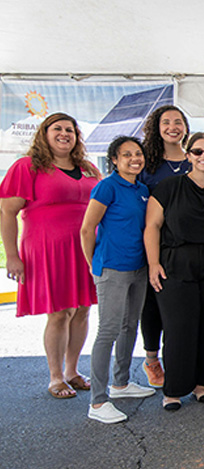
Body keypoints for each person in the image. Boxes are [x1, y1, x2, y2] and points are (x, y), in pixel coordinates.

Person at [0, 112, 101, 398]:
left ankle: (72, 371)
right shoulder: (28, 166)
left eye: (70, 130)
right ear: (44, 133)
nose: (64, 134)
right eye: (57, 128)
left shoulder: (89, 168)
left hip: (85, 248)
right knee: (59, 312)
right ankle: (55, 377)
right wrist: (12, 255)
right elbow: (7, 212)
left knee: (82, 309)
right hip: (48, 248)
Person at [144, 132, 204, 410]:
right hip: (176, 262)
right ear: (188, 156)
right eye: (197, 152)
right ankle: (173, 389)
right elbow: (152, 227)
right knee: (179, 327)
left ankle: (202, 383)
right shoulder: (168, 187)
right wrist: (153, 263)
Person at [80, 136, 156, 423]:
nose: (134, 159)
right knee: (108, 331)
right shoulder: (107, 187)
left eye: (138, 154)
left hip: (138, 267)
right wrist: (94, 266)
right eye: (127, 155)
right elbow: (87, 229)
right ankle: (98, 402)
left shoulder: (142, 189)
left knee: (129, 326)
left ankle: (121, 383)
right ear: (115, 159)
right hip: (112, 268)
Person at [138, 105, 191, 389]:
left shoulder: (195, 158)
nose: (173, 127)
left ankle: (181, 360)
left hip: (186, 248)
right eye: (166, 122)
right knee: (153, 305)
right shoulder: (147, 163)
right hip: (153, 243)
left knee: (180, 309)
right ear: (156, 128)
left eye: (178, 122)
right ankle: (151, 359)